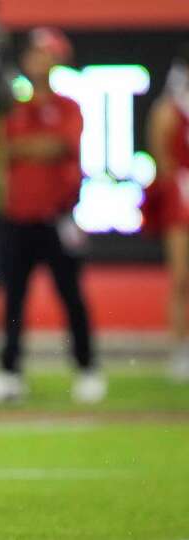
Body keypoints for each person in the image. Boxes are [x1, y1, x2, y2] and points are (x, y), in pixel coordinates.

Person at [0, 28, 103, 403]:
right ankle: (10, 371)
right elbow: (5, 151)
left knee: (72, 296)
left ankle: (87, 368)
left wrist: (31, 146)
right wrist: (35, 147)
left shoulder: (69, 106)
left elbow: (59, 145)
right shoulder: (13, 108)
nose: (38, 60)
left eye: (45, 53)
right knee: (14, 299)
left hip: (58, 215)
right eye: (34, 54)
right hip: (18, 217)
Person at [145, 44, 189, 382]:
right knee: (181, 278)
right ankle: (180, 349)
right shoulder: (171, 105)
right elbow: (162, 153)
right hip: (183, 193)